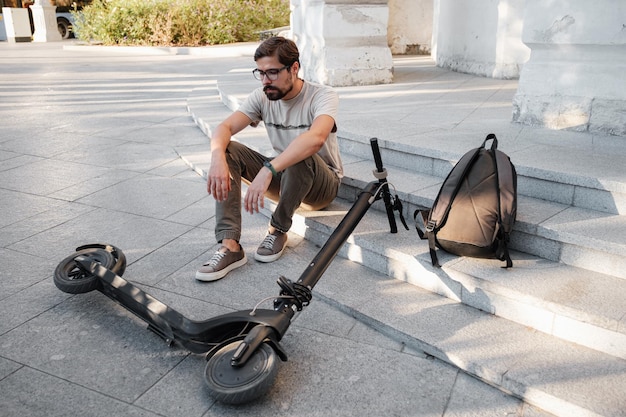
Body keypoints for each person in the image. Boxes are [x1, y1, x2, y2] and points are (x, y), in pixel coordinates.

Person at [196, 36, 343, 281]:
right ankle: (230, 245)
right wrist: (216, 159)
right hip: (285, 177)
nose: (266, 81)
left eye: (273, 73)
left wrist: (267, 171)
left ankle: (278, 229)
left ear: (294, 68)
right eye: (261, 73)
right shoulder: (262, 95)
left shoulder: (322, 96)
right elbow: (224, 127)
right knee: (228, 149)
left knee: (300, 150)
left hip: (321, 184)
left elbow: (316, 139)